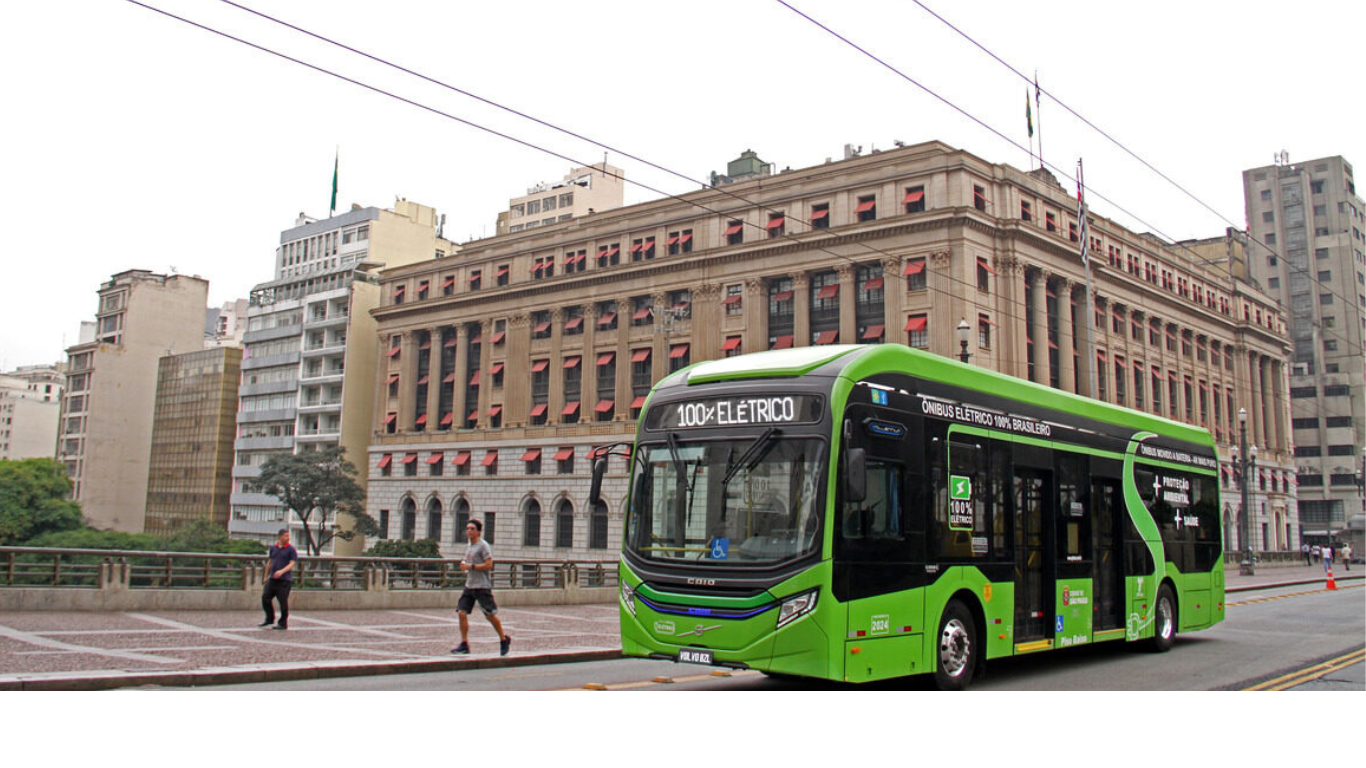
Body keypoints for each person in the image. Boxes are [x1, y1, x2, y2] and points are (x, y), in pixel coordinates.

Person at [452, 519, 511, 656]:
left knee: (490, 615)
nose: (469, 531)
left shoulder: (483, 546)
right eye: (468, 528)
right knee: (461, 612)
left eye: (472, 529)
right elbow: (467, 561)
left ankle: (503, 639)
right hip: (469, 585)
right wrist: (464, 566)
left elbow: (489, 565)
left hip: (482, 586)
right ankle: (464, 643)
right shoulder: (469, 546)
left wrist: (471, 567)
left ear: (478, 531)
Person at [260, 528, 298, 630]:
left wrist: (282, 571)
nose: (288, 538)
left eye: (288, 536)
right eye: (285, 536)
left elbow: (292, 564)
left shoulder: (291, 549)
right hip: (273, 579)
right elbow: (270, 562)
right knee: (265, 597)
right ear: (280, 537)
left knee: (283, 602)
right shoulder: (274, 548)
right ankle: (269, 618)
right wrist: (265, 576)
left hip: (284, 580)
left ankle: (283, 622)